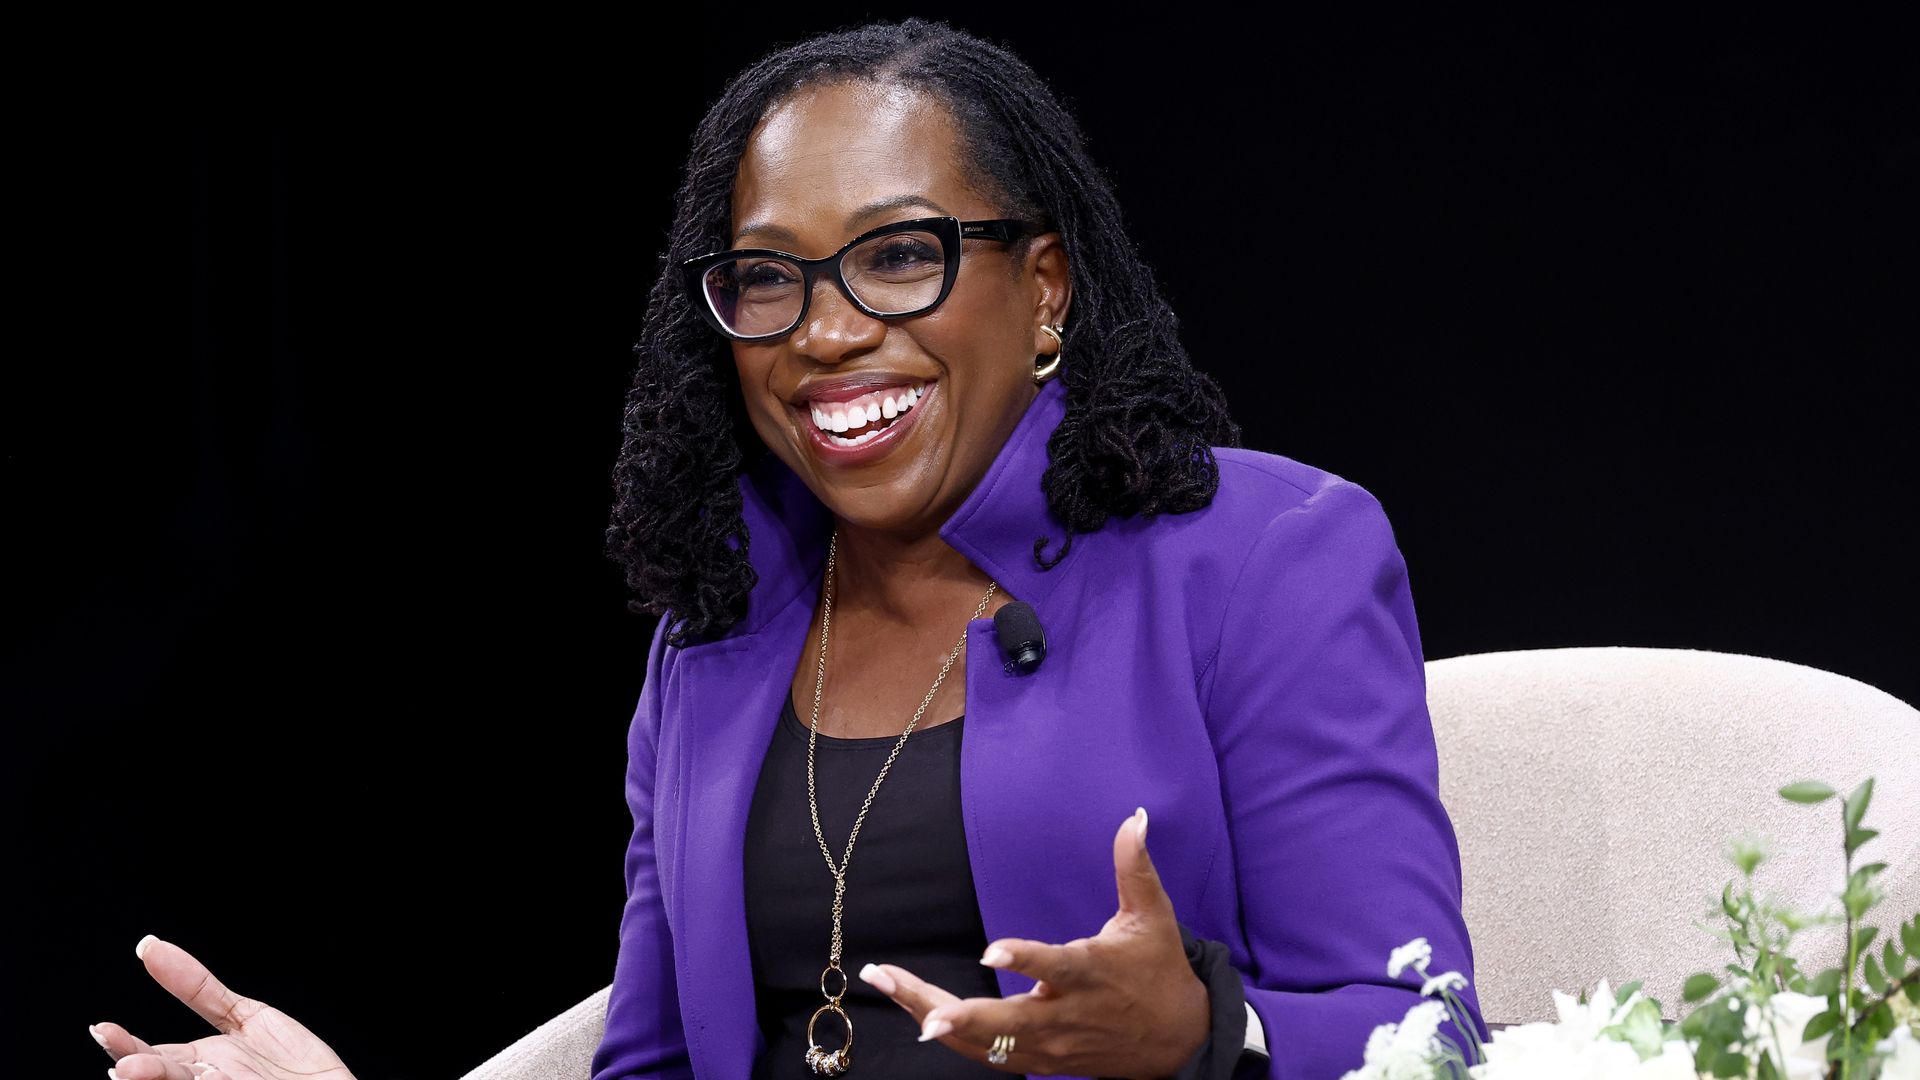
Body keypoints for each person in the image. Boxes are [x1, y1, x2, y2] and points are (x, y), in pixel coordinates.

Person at [90, 16, 1485, 1080]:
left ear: (1044, 288)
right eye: (769, 277)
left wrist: (1205, 1035)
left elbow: (1429, 1040)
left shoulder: (1262, 556)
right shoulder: (718, 633)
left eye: (899, 256)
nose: (824, 332)